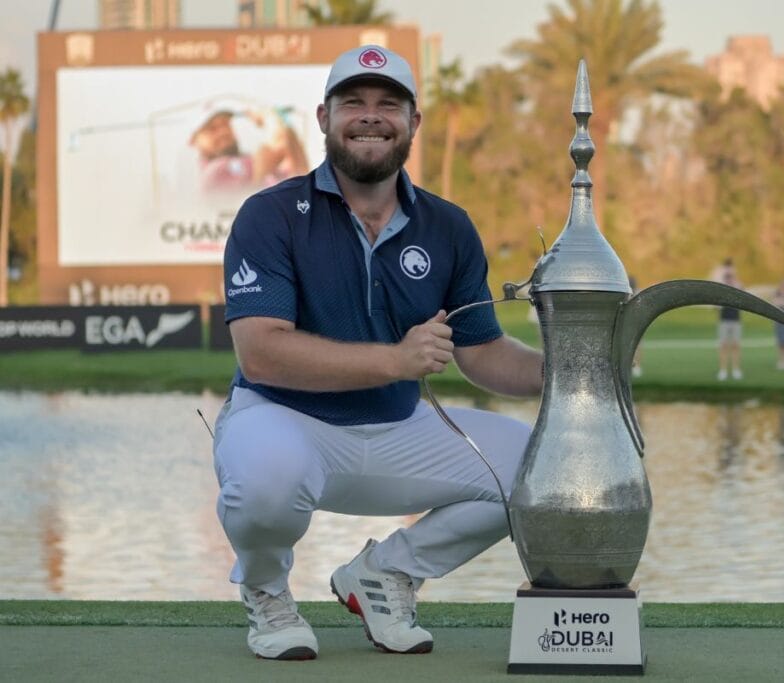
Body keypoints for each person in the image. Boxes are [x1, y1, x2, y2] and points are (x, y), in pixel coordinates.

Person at [213, 45, 544, 661]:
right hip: (285, 418)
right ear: (323, 118)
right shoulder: (271, 214)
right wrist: (396, 360)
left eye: (388, 104)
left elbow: (483, 353)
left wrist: (571, 375)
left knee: (537, 470)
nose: (371, 116)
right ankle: (267, 592)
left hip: (398, 427)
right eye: (353, 104)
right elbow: (261, 354)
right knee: (265, 480)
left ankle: (386, 573)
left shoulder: (447, 226)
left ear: (413, 123)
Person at [190, 105, 309, 194]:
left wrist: (287, 130)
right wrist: (270, 118)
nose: (224, 132)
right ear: (193, 141)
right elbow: (277, 147)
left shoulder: (246, 162)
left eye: (226, 124)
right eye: (212, 128)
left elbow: (298, 173)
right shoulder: (216, 171)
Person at [717, 265, 742, 380]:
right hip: (724, 320)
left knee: (736, 345)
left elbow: (742, 297)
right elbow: (716, 306)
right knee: (723, 345)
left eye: (730, 276)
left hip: (736, 320)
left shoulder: (738, 288)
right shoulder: (720, 289)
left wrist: (734, 276)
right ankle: (723, 370)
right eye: (727, 276)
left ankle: (736, 369)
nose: (729, 278)